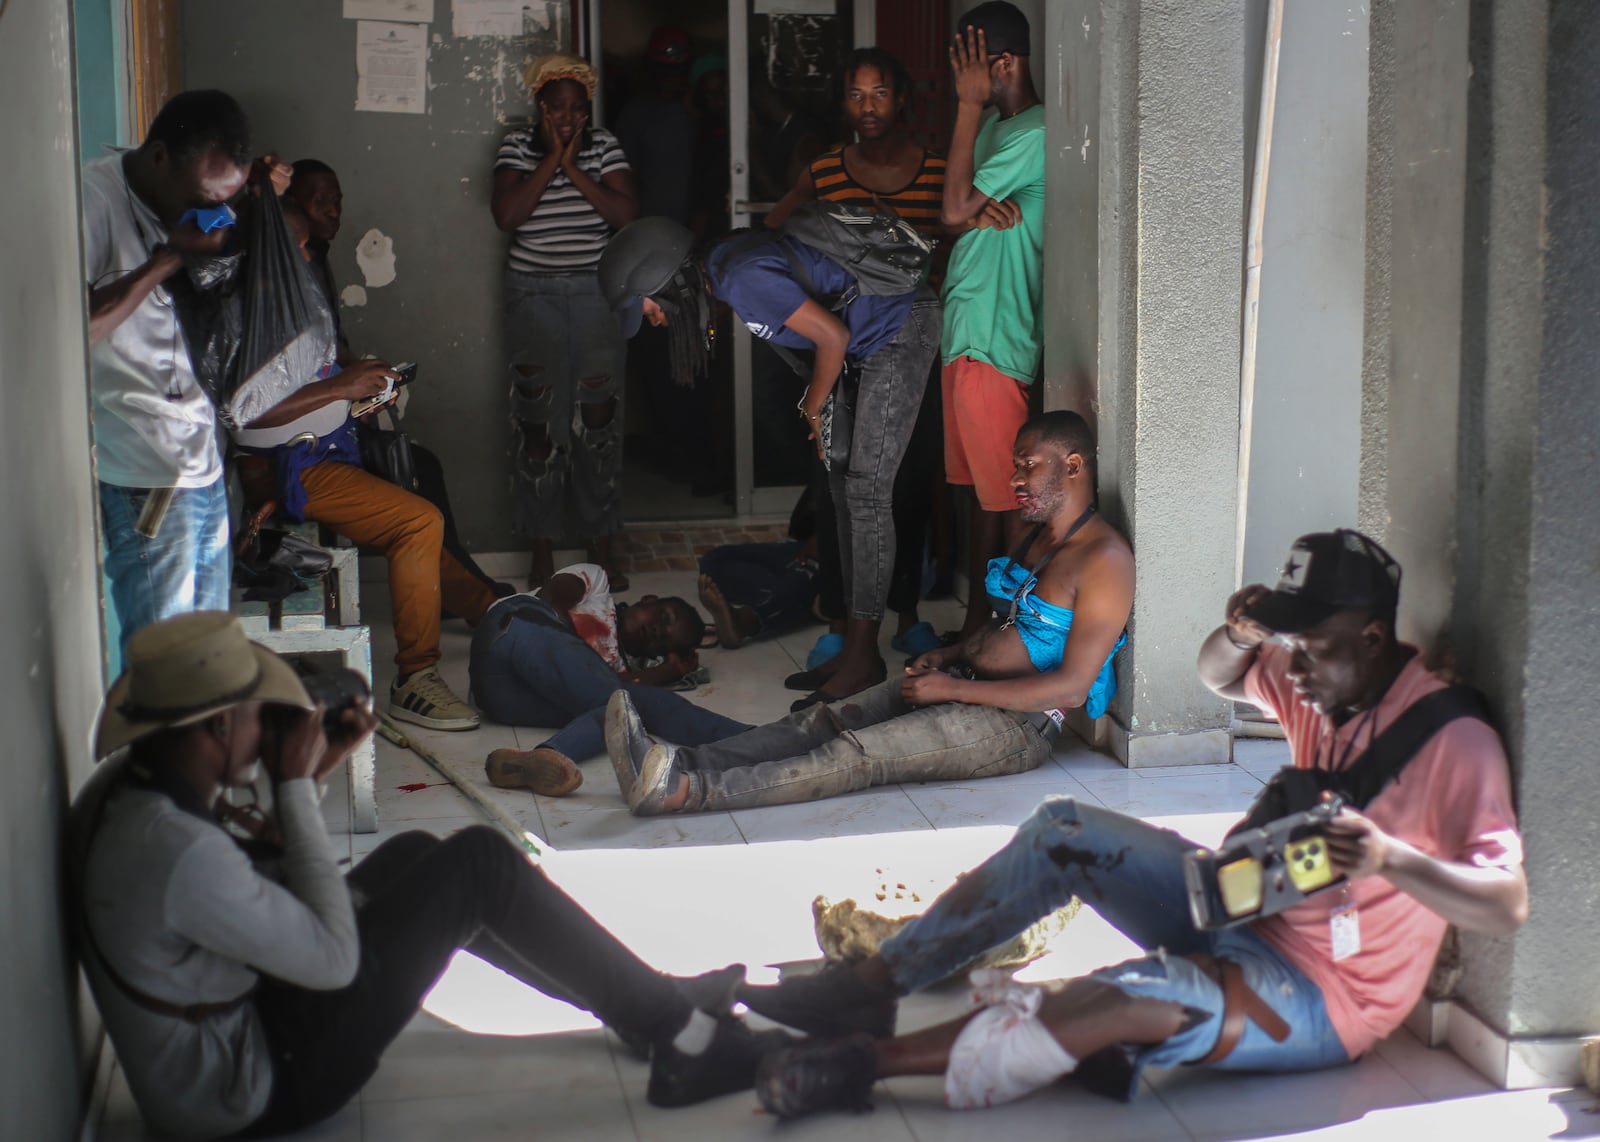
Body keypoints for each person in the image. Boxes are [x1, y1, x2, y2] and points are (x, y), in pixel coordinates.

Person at [743, 529, 1528, 1120]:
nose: (1296, 673)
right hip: (1240, 899)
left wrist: (1389, 860)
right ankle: (871, 986)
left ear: (1373, 640)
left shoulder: (1451, 740)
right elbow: (1218, 674)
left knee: (1126, 996)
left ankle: (863, 1064)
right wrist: (1244, 632)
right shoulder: (1319, 677)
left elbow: (1506, 902)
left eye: (1314, 652)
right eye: (1291, 650)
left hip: (1325, 991)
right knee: (1064, 828)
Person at [68, 612, 791, 1141]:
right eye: (258, 716)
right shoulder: (173, 849)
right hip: (254, 1084)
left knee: (420, 855)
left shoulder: (132, 790)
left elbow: (257, 893)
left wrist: (311, 772)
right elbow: (330, 958)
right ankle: (679, 1038)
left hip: (245, 1015)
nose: (270, 729)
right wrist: (293, 785)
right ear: (219, 729)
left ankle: (647, 1005)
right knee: (478, 866)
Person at [602, 411, 1132, 816]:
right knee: (826, 719)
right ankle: (673, 762)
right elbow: (1013, 624)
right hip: (965, 679)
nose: (1016, 477)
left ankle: (684, 793)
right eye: (1015, 464)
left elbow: (1070, 690)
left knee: (856, 753)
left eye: (1029, 465)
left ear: (1074, 465)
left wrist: (953, 689)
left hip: (1017, 727)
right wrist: (947, 656)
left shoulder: (1104, 560)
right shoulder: (1039, 537)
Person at [599, 205, 943, 710]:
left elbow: (833, 336)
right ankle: (853, 644)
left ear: (666, 279)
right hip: (871, 341)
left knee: (867, 495)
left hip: (898, 329)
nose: (653, 318)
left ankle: (864, 658)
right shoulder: (724, 269)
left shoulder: (737, 277)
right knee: (845, 492)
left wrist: (815, 405)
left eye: (648, 305)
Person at [233, 203, 493, 732]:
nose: (306, 257)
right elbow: (241, 413)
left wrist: (357, 389)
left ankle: (491, 613)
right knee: (418, 522)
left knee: (418, 512)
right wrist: (337, 390)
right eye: (297, 247)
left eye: (307, 248)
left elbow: (299, 387)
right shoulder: (242, 312)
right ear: (269, 253)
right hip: (291, 467)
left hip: (323, 445)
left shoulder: (283, 301)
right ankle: (416, 679)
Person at [82, 90, 288, 661]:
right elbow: (69, 333)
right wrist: (170, 258)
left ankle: (195, 750)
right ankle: (153, 752)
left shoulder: (201, 204)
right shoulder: (93, 200)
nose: (212, 214)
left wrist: (254, 207)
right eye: (205, 198)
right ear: (158, 158)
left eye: (224, 200)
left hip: (201, 459)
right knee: (165, 667)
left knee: (208, 659)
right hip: (143, 471)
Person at [766, 46, 952, 663]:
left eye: (879, 94)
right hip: (841, 352)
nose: (867, 107)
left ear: (901, 102)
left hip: (912, 355)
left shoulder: (936, 169)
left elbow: (957, 244)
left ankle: (906, 614)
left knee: (909, 482)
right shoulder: (824, 172)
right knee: (837, 485)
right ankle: (845, 624)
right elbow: (778, 233)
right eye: (855, 95)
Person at [283, 159, 510, 603]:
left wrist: (368, 375)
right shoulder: (289, 272)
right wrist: (350, 386)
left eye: (338, 201)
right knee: (415, 473)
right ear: (291, 208)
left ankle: (456, 585)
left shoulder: (316, 260)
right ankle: (461, 591)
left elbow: (331, 346)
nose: (334, 211)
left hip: (327, 422)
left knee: (419, 466)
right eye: (320, 202)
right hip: (304, 445)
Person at [491, 53, 640, 589]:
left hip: (596, 295)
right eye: (558, 108)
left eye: (578, 108)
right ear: (540, 106)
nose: (569, 118)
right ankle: (541, 548)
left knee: (598, 421)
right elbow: (508, 216)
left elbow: (625, 217)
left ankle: (601, 543)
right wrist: (550, 160)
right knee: (538, 423)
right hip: (533, 296)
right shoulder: (516, 146)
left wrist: (574, 165)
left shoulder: (605, 148)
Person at [939, 2, 1048, 644]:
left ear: (1000, 64)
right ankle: (980, 621)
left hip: (996, 338)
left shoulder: (1031, 132)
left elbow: (954, 205)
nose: (961, 82)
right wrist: (971, 216)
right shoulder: (993, 131)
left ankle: (1010, 635)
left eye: (968, 69)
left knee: (1010, 502)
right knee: (982, 497)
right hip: (965, 332)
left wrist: (966, 107)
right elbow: (951, 214)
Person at [472, 564, 750, 796]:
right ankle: (647, 762)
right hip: (516, 631)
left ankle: (752, 739)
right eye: (663, 617)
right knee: (623, 703)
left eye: (662, 641)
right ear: (649, 600)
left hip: (506, 699)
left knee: (627, 706)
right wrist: (583, 657)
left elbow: (606, 693)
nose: (656, 630)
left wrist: (666, 672)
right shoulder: (598, 585)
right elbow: (553, 595)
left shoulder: (611, 673)